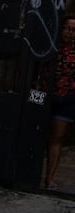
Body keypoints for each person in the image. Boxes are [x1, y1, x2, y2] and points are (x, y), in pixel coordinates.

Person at [46, 15, 75, 190]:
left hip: (66, 99)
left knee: (57, 137)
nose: (70, 33)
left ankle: (50, 178)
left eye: (74, 30)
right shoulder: (51, 47)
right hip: (45, 96)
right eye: (67, 28)